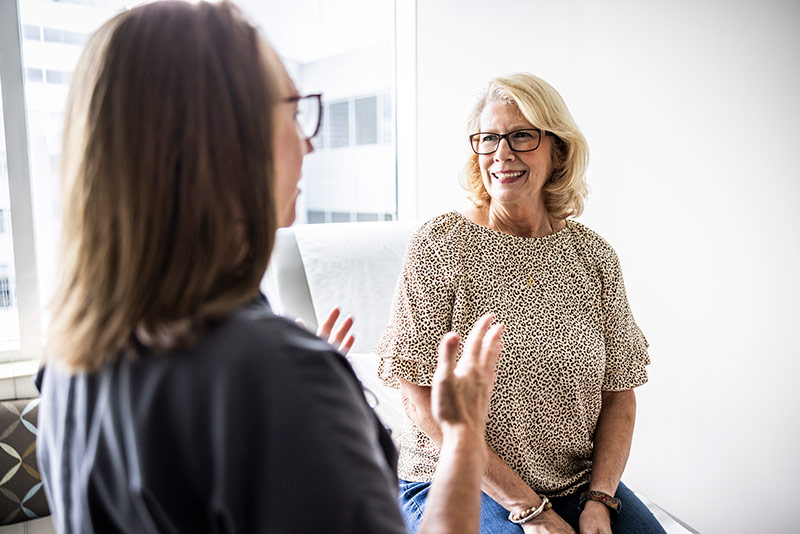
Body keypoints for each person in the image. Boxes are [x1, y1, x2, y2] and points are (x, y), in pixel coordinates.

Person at [34, 2, 504, 533]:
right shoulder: (275, 377)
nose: (308, 142)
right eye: (294, 111)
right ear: (226, 142)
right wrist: (463, 435)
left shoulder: (70, 362)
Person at [375, 73, 667, 534]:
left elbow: (619, 396)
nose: (502, 153)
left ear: (558, 150)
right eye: (489, 138)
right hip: (453, 478)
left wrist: (600, 500)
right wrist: (530, 509)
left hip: (574, 483)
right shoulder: (441, 244)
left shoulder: (593, 255)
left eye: (522, 135)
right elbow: (417, 397)